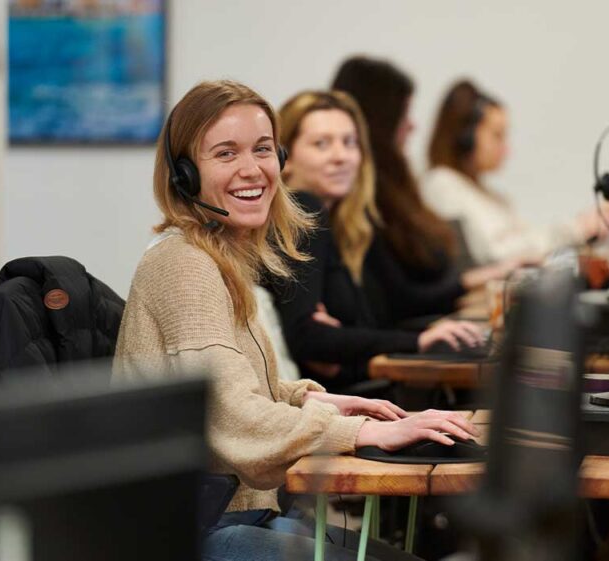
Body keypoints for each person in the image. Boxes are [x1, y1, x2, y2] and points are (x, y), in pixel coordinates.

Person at [111, 79, 478, 561]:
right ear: (184, 175)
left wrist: (319, 400)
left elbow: (234, 386)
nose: (252, 169)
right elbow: (232, 415)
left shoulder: (220, 258)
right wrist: (364, 433)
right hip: (191, 534)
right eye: (226, 153)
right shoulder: (183, 264)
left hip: (232, 516)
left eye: (263, 149)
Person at [269, 90, 486, 391]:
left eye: (350, 142)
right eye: (321, 144)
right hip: (342, 404)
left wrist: (429, 332)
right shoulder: (303, 210)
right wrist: (418, 340)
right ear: (285, 157)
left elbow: (392, 307)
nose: (341, 156)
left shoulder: (348, 222)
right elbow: (306, 336)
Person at [331, 56, 518, 328]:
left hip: (436, 321)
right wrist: (478, 280)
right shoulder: (372, 196)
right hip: (419, 332)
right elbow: (401, 299)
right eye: (403, 115)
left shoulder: (398, 186)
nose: (413, 126)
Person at [424, 80, 609, 267]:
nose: (506, 149)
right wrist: (578, 229)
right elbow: (495, 254)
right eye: (497, 135)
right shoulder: (441, 184)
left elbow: (529, 242)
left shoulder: (493, 196)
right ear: (465, 138)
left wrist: (586, 226)